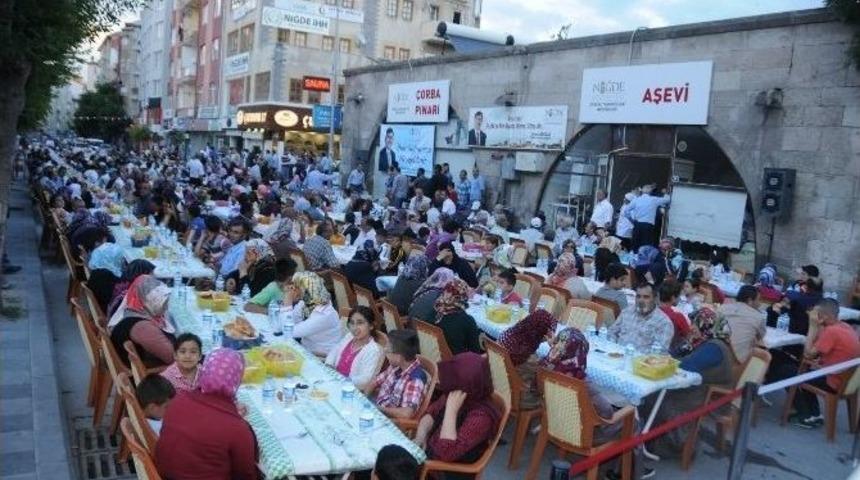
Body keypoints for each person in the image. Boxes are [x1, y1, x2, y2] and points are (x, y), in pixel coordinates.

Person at [539, 327, 649, 480]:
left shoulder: (546, 366)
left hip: (555, 420)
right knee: (633, 420)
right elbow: (607, 413)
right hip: (584, 432)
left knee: (611, 408)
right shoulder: (581, 383)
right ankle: (630, 473)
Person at [156, 349, 258, 480]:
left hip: (162, 474)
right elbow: (245, 474)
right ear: (237, 380)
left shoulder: (179, 399)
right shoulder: (237, 428)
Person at [413, 353, 501, 469]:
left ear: (466, 384)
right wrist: (421, 435)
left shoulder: (481, 417)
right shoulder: (459, 392)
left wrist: (451, 411)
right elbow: (431, 413)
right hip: (428, 454)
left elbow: (445, 453)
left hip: (443, 470)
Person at [790, 298, 860, 428]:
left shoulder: (832, 331)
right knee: (809, 372)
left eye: (816, 313)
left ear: (824, 316)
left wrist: (812, 326)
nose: (814, 316)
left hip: (834, 380)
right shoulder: (846, 327)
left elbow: (808, 353)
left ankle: (811, 415)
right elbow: (823, 348)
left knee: (797, 376)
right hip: (848, 381)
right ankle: (814, 413)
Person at [108, 275, 176, 367]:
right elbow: (174, 358)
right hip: (146, 375)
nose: (166, 308)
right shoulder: (144, 328)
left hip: (133, 363)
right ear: (148, 302)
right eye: (163, 304)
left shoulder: (132, 309)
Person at [498, 309, 557, 409]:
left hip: (498, 386)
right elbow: (546, 375)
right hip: (520, 398)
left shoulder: (506, 336)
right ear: (540, 335)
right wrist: (554, 348)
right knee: (554, 396)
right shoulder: (530, 358)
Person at [369, 329, 428, 419]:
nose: (385, 351)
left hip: (391, 421)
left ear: (399, 357)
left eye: (388, 350)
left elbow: (406, 414)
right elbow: (374, 382)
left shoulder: (415, 380)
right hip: (378, 409)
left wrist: (378, 409)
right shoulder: (396, 366)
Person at [282, 272, 341, 355]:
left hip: (321, 357)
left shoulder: (325, 314)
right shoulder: (306, 303)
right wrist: (288, 300)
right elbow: (288, 322)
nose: (294, 290)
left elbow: (290, 332)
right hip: (305, 349)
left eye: (297, 287)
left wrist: (288, 300)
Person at [326, 306, 385, 391]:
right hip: (333, 381)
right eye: (352, 323)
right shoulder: (349, 337)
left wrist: (340, 379)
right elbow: (335, 350)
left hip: (350, 391)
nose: (354, 328)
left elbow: (365, 380)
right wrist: (329, 365)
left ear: (371, 326)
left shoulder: (374, 350)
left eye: (360, 323)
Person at [607, 283, 674, 353]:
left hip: (640, 362)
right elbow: (611, 332)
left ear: (655, 299)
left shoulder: (664, 323)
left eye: (646, 297)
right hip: (616, 355)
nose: (641, 301)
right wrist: (614, 348)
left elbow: (658, 354)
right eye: (638, 296)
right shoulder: (627, 312)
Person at [434, 279, 482, 355]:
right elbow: (475, 352)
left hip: (436, 354)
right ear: (463, 296)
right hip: (456, 360)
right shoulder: (467, 320)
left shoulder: (435, 309)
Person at [719, 285, 766, 364]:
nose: (760, 304)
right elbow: (760, 337)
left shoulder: (722, 308)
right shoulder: (759, 317)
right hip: (736, 363)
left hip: (713, 354)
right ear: (750, 300)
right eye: (758, 300)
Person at [626, 184, 671, 250]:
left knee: (635, 244)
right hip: (648, 226)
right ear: (651, 192)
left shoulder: (636, 200)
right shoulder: (654, 200)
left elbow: (626, 211)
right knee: (646, 245)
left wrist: (631, 220)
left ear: (642, 191)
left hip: (637, 224)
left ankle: (634, 257)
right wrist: (666, 193)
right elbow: (667, 200)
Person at [87, 241, 127, 313]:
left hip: (101, 306)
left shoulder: (96, 273)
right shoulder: (110, 281)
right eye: (120, 259)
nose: (121, 261)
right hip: (111, 312)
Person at [658, 280, 693, 356]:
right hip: (671, 355)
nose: (680, 299)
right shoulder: (677, 316)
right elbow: (689, 337)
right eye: (679, 296)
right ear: (673, 298)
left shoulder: (650, 311)